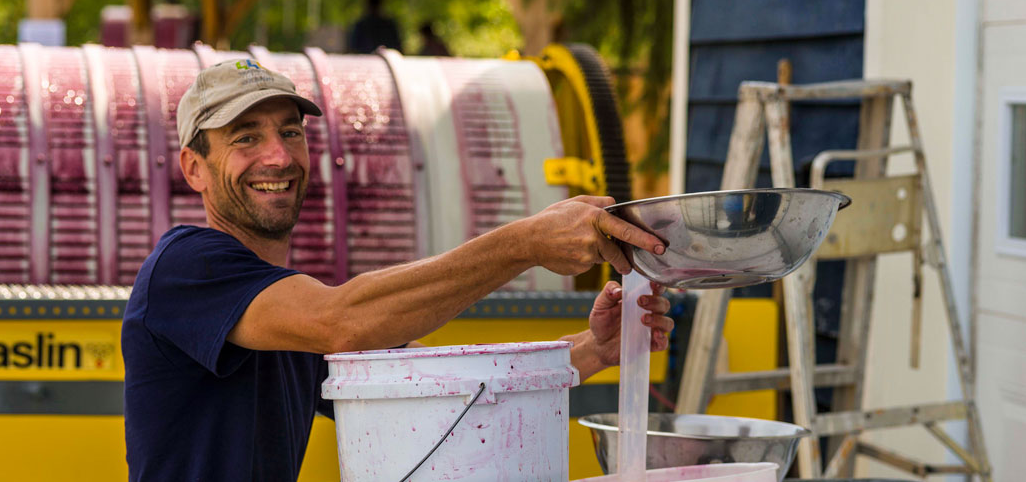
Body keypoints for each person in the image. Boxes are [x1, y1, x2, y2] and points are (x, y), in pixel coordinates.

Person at [121, 59, 673, 481]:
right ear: (194, 168)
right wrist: (524, 242)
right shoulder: (185, 268)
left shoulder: (279, 311)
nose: (279, 156)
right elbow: (343, 321)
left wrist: (591, 351)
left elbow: (427, 390)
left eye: (290, 131)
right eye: (245, 137)